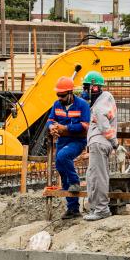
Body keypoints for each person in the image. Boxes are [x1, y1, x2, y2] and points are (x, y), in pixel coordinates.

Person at [47, 76, 91, 219]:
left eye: (62, 95)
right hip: (62, 140)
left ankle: (75, 182)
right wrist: (52, 127)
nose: (59, 98)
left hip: (77, 140)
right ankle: (73, 208)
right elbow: (50, 120)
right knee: (61, 167)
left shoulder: (82, 105)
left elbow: (85, 125)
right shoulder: (56, 104)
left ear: (70, 93)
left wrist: (66, 128)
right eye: (58, 95)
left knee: (62, 157)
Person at [83, 71, 118, 222]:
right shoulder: (103, 100)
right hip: (97, 142)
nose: (84, 92)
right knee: (92, 176)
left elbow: (103, 123)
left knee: (98, 177)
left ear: (94, 87)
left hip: (99, 142)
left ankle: (102, 209)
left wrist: (114, 141)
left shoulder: (100, 104)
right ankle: (95, 207)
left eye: (86, 88)